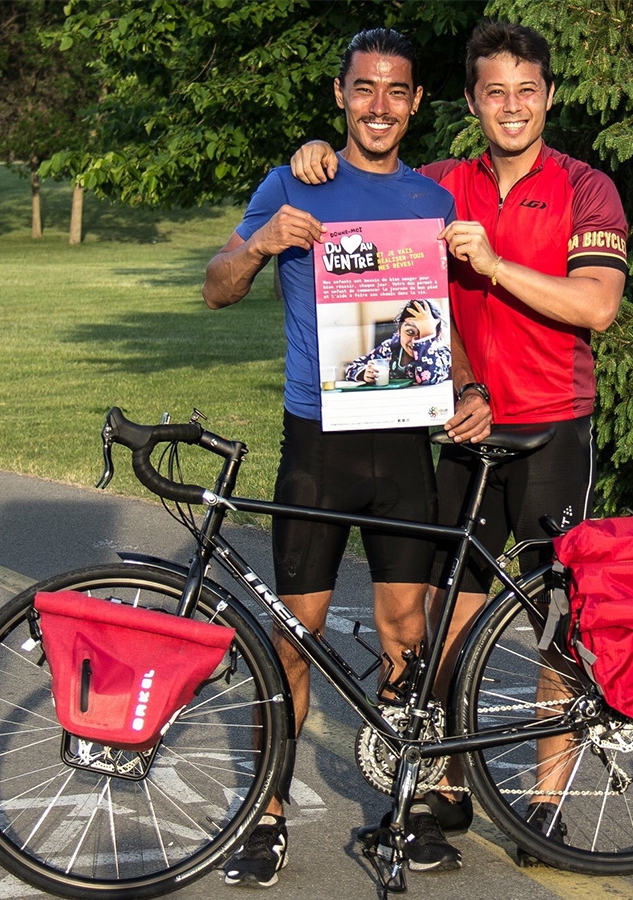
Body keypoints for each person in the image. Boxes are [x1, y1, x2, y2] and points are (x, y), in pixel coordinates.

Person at [290, 18, 629, 841]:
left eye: (526, 91)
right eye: (494, 93)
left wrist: (496, 264)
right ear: (473, 103)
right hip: (464, 434)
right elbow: (377, 209)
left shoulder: (587, 187)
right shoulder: (443, 184)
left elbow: (598, 307)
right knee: (445, 614)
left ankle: (547, 800)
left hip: (554, 430)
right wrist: (319, 159)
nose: (511, 107)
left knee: (555, 616)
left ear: (549, 96)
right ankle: (442, 784)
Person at [202, 27, 465, 887]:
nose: (379, 106)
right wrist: (262, 241)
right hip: (317, 442)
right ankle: (266, 814)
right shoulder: (293, 181)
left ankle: (402, 809)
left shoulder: (432, 201)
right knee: (292, 641)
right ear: (341, 94)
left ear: (416, 102)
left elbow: (438, 324)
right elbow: (216, 289)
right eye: (364, 88)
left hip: (404, 444)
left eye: (396, 91)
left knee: (405, 634)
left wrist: (470, 388)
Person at [344, 298, 451, 385]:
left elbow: (428, 378)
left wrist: (427, 336)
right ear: (399, 331)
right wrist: (365, 373)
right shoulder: (389, 348)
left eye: (422, 333)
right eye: (410, 332)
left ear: (436, 335)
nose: (415, 341)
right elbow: (351, 368)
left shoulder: (442, 353)